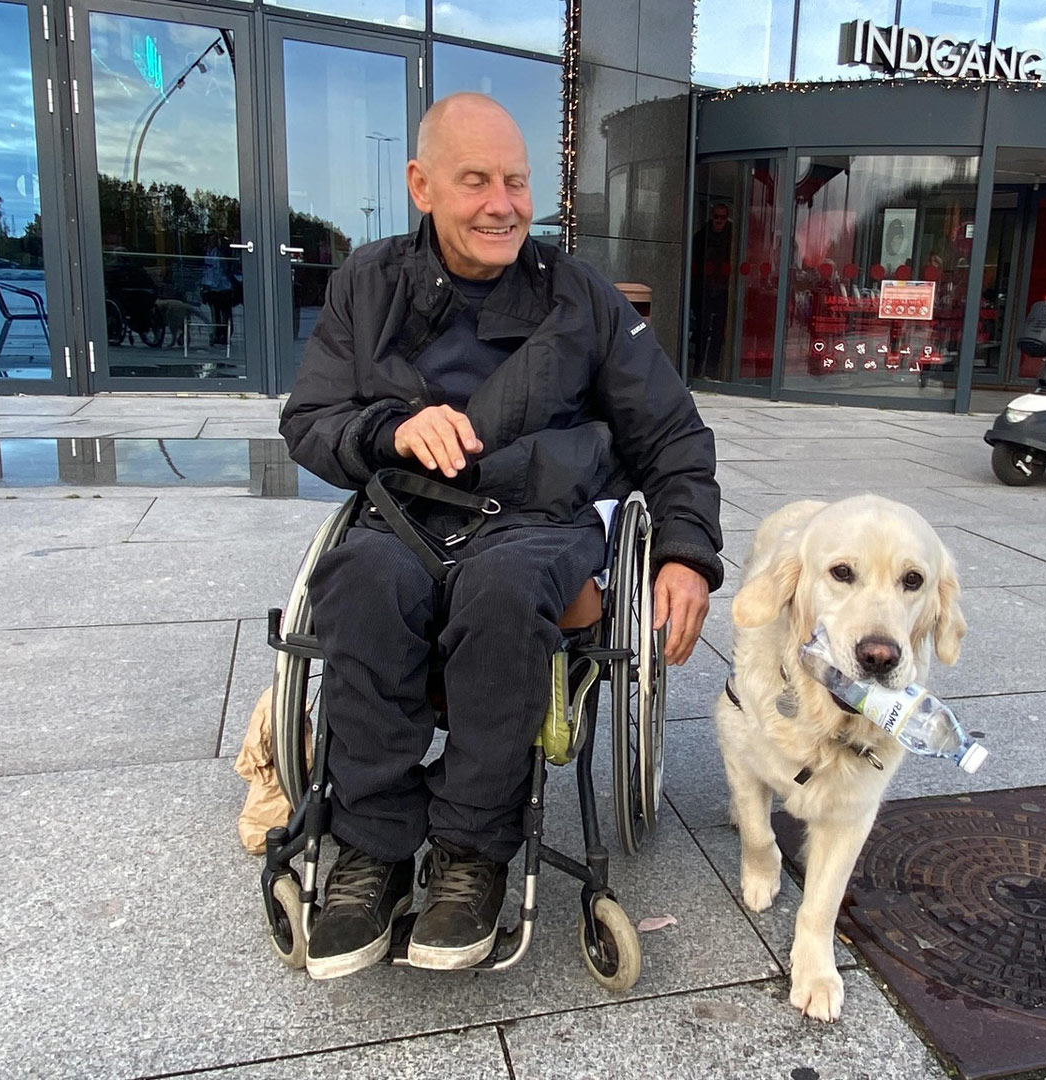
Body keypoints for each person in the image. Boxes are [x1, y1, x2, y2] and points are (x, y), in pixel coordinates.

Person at [279, 93, 722, 981]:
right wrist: (389, 431)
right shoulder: (364, 287)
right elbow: (312, 420)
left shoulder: (581, 298)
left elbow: (672, 434)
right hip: (404, 510)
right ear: (422, 185)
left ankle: (472, 856)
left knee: (502, 594)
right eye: (475, 180)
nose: (502, 203)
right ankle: (370, 852)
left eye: (516, 182)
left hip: (534, 518)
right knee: (359, 584)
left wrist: (684, 552)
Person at [689, 201, 734, 376]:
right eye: (716, 216)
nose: (719, 221)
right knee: (702, 329)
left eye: (722, 217)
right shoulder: (701, 237)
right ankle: (698, 367)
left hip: (723, 291)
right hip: (704, 291)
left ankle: (712, 368)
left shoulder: (733, 238)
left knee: (718, 332)